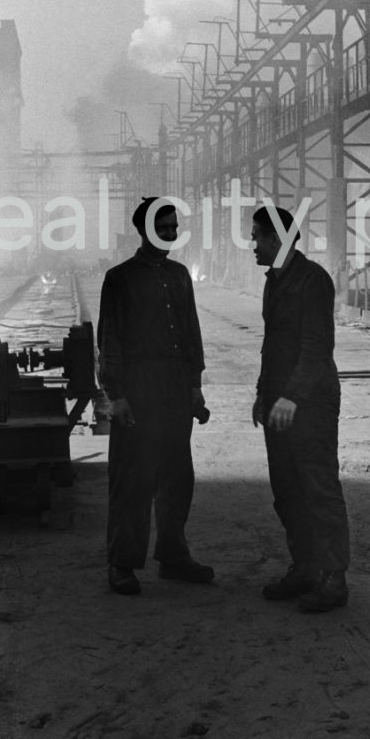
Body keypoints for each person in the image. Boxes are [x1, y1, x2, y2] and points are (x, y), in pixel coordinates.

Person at [97, 197, 214, 595]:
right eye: (161, 228)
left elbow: (191, 335)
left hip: (175, 388)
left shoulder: (180, 276)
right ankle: (122, 563)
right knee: (132, 478)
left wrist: (195, 388)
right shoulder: (119, 279)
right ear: (144, 231)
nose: (169, 234)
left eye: (172, 227)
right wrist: (117, 395)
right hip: (138, 386)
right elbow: (109, 341)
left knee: (177, 476)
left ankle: (173, 556)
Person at [251, 204, 350, 612]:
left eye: (257, 237)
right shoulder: (274, 281)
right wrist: (263, 393)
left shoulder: (313, 281)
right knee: (288, 490)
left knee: (318, 489)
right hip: (279, 403)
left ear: (277, 240)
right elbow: (271, 346)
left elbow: (316, 348)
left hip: (310, 403)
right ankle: (306, 567)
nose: (253, 245)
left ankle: (333, 578)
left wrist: (291, 396)